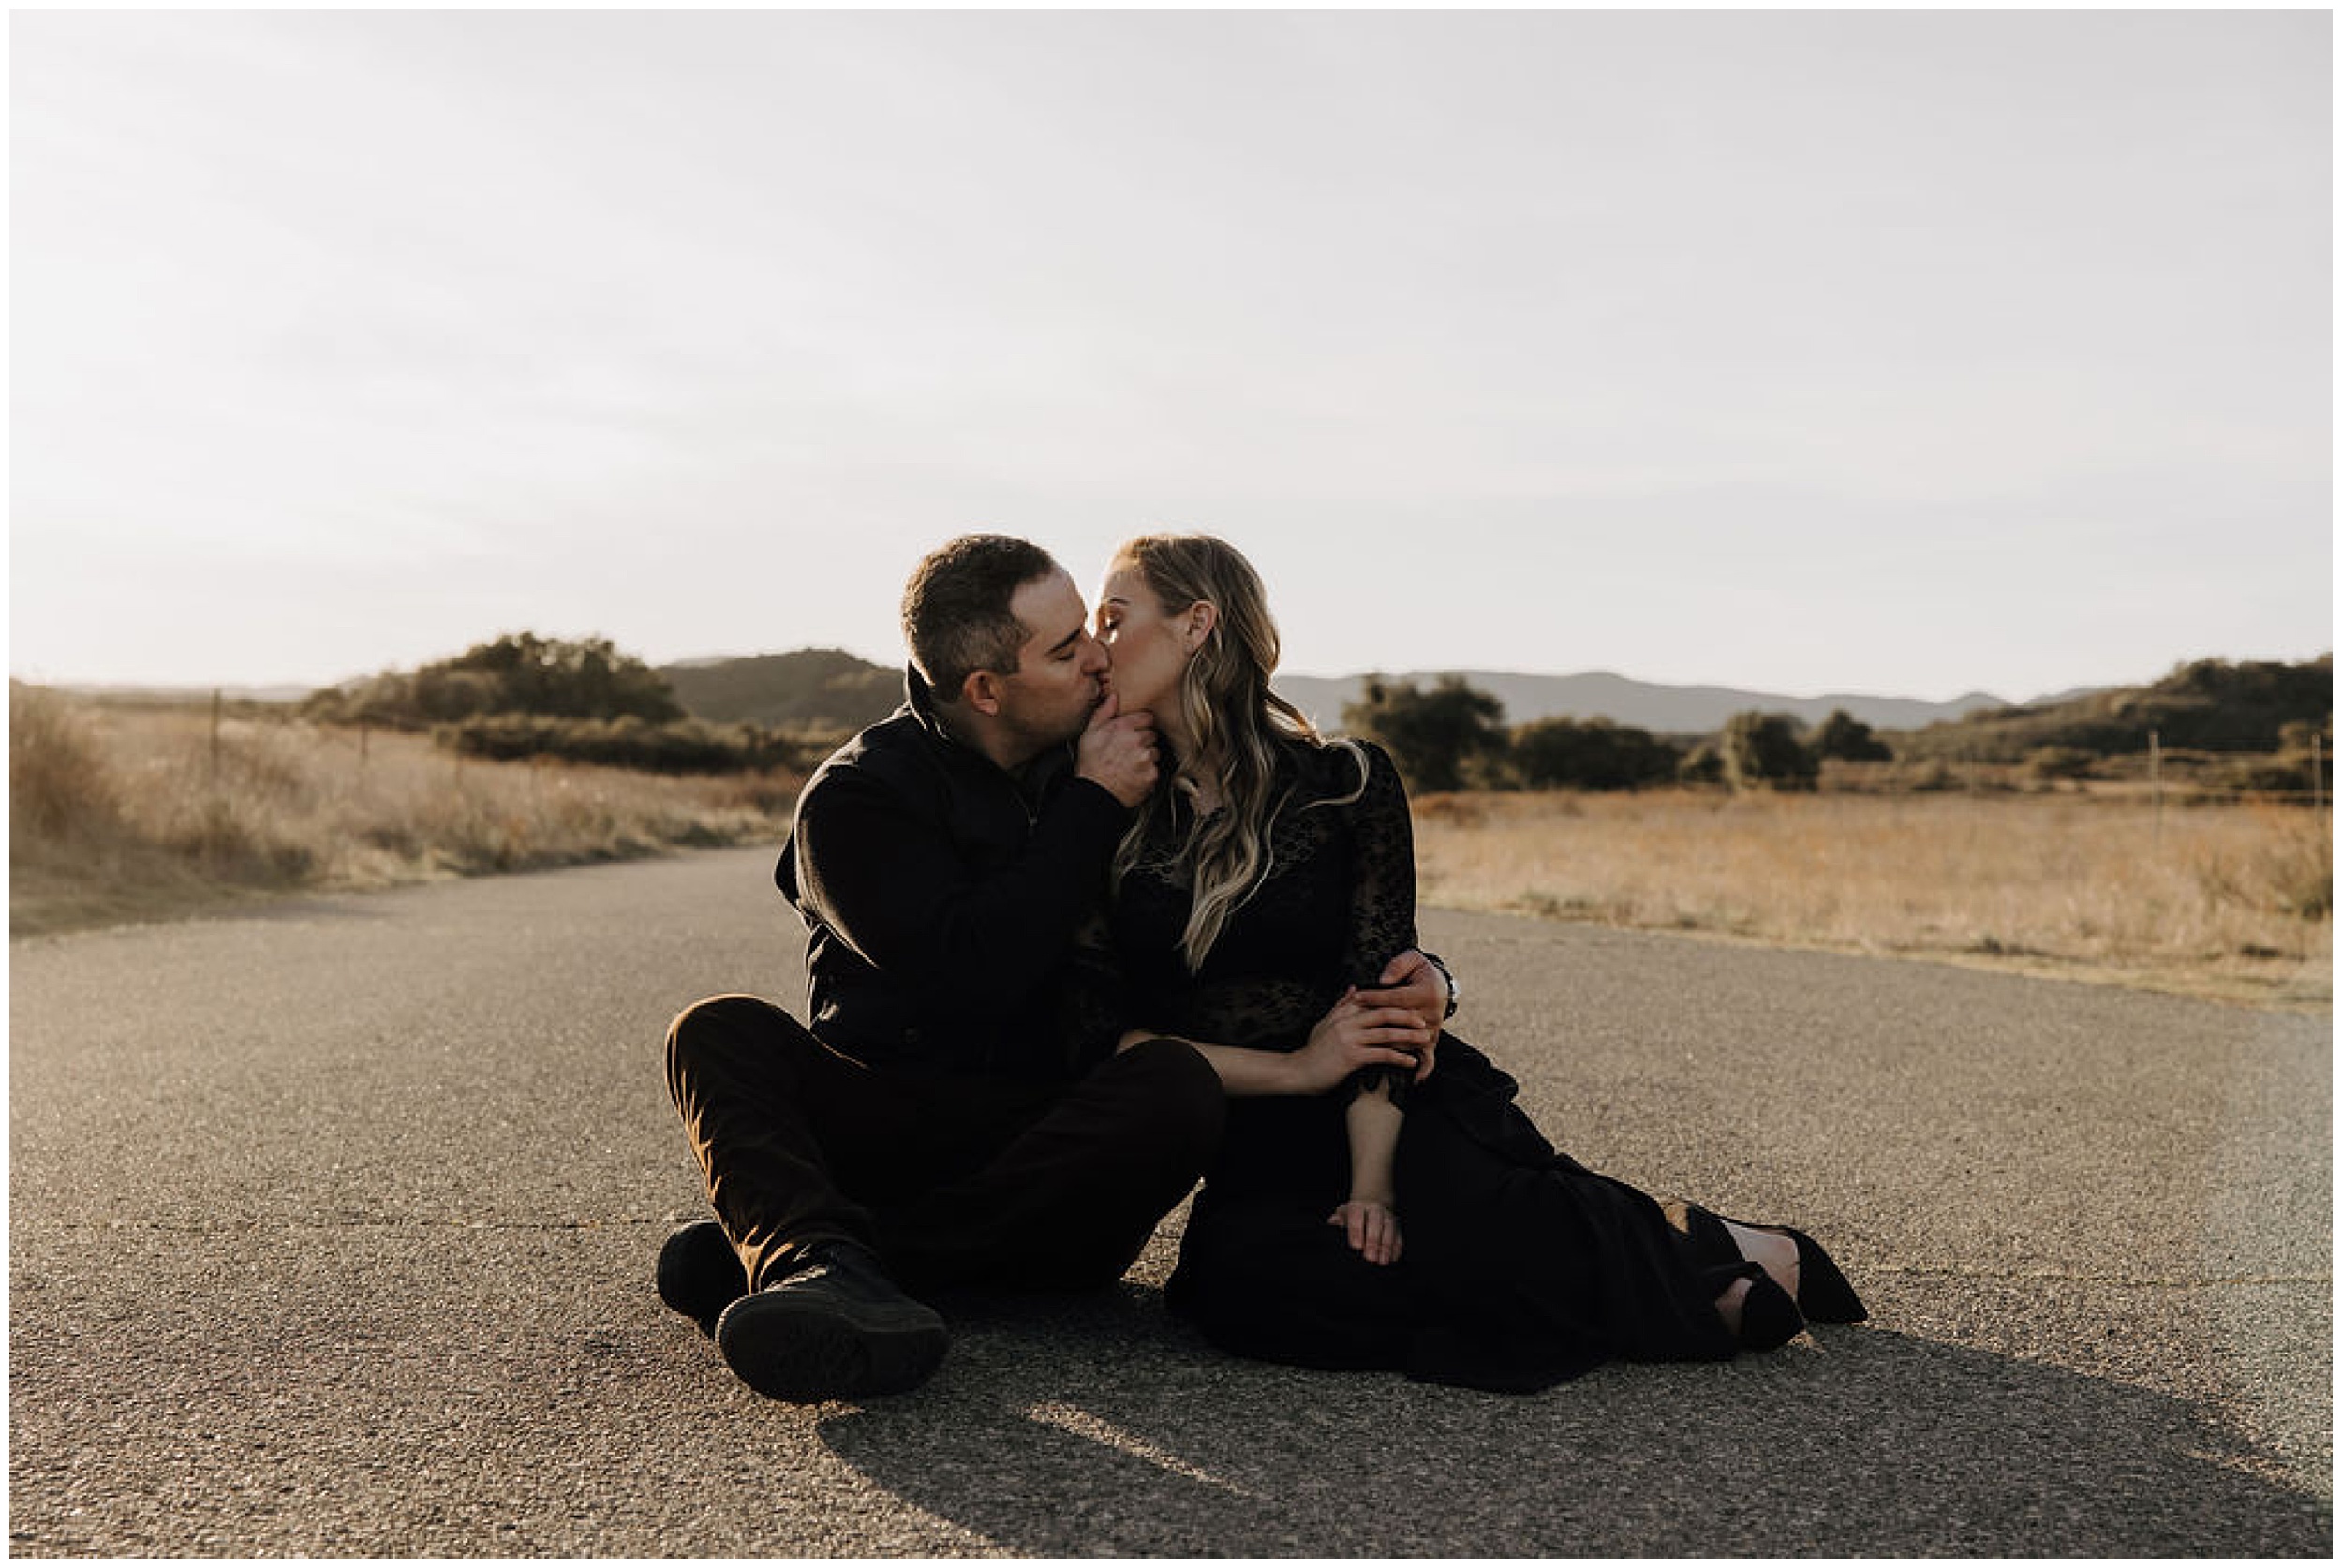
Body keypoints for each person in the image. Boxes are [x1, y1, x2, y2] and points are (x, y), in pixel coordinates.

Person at [657, 534, 1451, 1403]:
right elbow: (967, 979)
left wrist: (1425, 977)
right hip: (894, 1124)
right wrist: (1090, 805)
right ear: (987, 689)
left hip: (1060, 1160)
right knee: (715, 1030)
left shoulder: (1101, 750)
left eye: (1095, 629)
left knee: (1174, 1082)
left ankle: (852, 1260)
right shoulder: (858, 800)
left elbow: (1250, 919)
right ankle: (817, 1264)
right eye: (1069, 648)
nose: (1098, 661)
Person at [1065, 533, 1867, 1392]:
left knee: (1460, 1217)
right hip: (1255, 1131)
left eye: (1114, 619)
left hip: (1392, 1107)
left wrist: (1371, 1186)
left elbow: (1385, 995)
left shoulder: (1344, 781)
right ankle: (1694, 1257)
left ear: (1197, 625)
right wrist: (1298, 1070)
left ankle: (1712, 1268)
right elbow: (1105, 1037)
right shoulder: (1102, 798)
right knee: (1245, 1296)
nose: (1096, 649)